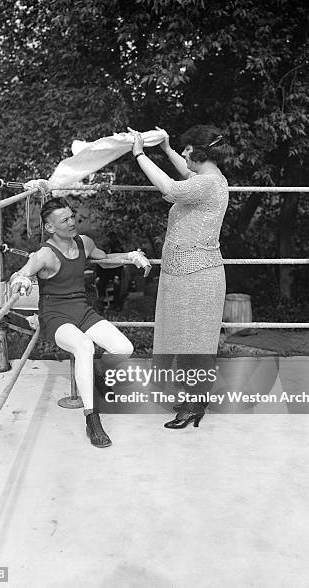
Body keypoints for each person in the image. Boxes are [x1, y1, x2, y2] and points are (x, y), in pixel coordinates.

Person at [10, 197, 151, 448]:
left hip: (82, 311)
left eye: (72, 216)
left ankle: (94, 375)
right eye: (64, 220)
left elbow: (105, 259)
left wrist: (131, 256)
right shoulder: (44, 254)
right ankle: (92, 419)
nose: (71, 222)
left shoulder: (83, 242)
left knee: (124, 348)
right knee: (85, 346)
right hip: (55, 316)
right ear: (50, 227)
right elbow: (22, 273)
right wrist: (19, 281)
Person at [127, 125, 229, 429]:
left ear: (199, 152)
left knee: (194, 341)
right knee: (181, 337)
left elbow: (170, 188)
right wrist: (168, 147)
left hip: (197, 275)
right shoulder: (207, 179)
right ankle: (192, 397)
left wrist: (139, 154)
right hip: (183, 274)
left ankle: (195, 404)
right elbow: (186, 176)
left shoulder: (209, 184)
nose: (184, 154)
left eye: (187, 150)